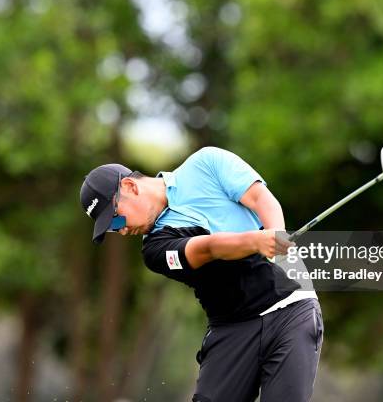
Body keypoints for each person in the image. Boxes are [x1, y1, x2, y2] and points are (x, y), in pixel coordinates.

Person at [80, 146, 322, 402]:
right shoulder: (154, 249)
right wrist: (254, 241)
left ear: (130, 186)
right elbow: (207, 248)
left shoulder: (207, 162)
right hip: (232, 327)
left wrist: (277, 238)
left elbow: (261, 199)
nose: (123, 231)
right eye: (113, 230)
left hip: (292, 308)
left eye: (116, 221)